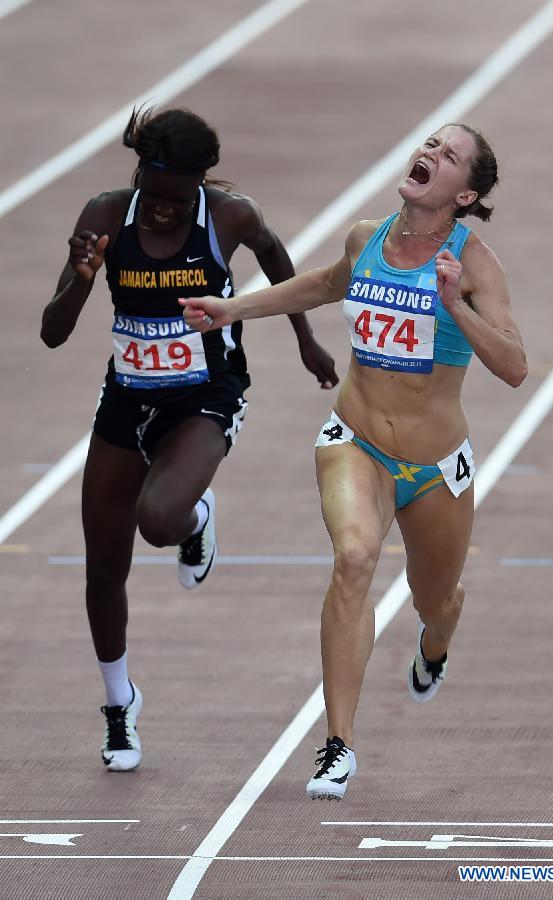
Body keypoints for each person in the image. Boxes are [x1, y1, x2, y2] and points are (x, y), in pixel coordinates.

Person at [181, 122, 528, 800]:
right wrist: (231, 309)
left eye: (449, 156)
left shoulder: (476, 265)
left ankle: (435, 644)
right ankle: (337, 744)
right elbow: (323, 283)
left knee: (437, 600)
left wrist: (454, 302)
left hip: (435, 468)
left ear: (466, 194)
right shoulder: (365, 237)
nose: (431, 154)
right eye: (430, 143)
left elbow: (515, 367)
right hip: (356, 440)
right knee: (355, 559)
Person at [40, 107, 338, 773]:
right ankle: (120, 704)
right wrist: (83, 281)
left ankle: (194, 518)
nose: (167, 213)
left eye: (181, 200)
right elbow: (52, 333)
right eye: (158, 198)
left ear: (200, 185)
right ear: (141, 171)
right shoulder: (106, 215)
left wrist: (305, 338)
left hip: (205, 395)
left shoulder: (227, 215)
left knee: (158, 518)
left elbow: (272, 254)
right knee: (102, 565)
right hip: (128, 398)